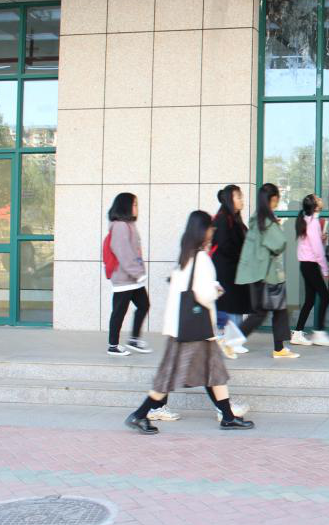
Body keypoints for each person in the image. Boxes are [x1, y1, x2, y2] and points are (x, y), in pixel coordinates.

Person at [124, 210, 253, 434]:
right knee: (171, 375)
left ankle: (228, 417)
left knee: (213, 372)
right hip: (195, 331)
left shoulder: (185, 257)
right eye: (210, 227)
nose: (213, 231)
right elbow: (203, 295)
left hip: (184, 328)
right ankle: (139, 414)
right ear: (204, 231)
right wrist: (217, 289)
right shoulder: (201, 259)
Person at [235, 183, 298, 358]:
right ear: (273, 198)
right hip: (267, 275)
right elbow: (279, 243)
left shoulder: (258, 219)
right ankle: (232, 340)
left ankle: (279, 348)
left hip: (260, 274)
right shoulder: (266, 221)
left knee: (278, 310)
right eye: (277, 199)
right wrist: (277, 227)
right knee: (261, 313)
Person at [105, 193, 150, 357]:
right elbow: (123, 252)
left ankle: (134, 339)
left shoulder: (129, 225)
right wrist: (137, 272)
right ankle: (113, 345)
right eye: (134, 204)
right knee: (119, 311)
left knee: (144, 305)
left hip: (133, 278)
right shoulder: (120, 226)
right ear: (125, 206)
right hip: (124, 278)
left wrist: (138, 273)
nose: (137, 208)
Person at [290, 194, 329, 347]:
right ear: (316, 206)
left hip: (306, 264)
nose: (320, 199)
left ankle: (297, 333)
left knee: (310, 300)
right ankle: (319, 333)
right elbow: (317, 251)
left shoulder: (306, 220)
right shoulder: (313, 222)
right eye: (317, 199)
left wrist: (320, 240)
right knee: (325, 297)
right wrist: (325, 269)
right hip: (311, 265)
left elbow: (311, 245)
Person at [210, 185, 251, 357]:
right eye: (238, 197)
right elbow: (225, 245)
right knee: (231, 306)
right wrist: (241, 256)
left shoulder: (234, 219)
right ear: (229, 199)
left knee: (235, 306)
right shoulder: (222, 219)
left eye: (241, 196)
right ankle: (231, 341)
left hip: (234, 269)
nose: (242, 200)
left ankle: (234, 340)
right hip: (226, 270)